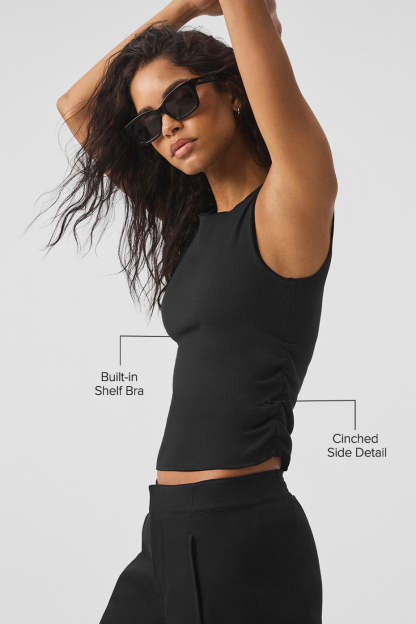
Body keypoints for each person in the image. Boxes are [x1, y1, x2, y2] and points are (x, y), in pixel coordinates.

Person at [52, 1, 337, 621]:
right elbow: (76, 107)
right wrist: (183, 7)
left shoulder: (291, 201)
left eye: (181, 100)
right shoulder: (193, 227)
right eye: (149, 123)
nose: (168, 127)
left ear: (233, 92)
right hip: (167, 531)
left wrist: (229, 11)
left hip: (242, 539)